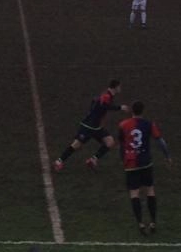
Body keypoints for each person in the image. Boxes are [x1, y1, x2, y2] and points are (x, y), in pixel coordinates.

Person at [118, 101, 171, 235]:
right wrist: (167, 156)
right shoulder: (148, 124)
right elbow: (160, 141)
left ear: (132, 111)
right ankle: (153, 222)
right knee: (150, 190)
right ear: (143, 111)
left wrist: (122, 160)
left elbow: (121, 145)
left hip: (130, 164)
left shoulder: (123, 125)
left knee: (134, 193)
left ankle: (141, 223)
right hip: (146, 162)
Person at [53, 79, 129, 172]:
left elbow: (95, 102)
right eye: (120, 86)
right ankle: (59, 161)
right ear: (116, 87)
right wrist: (120, 107)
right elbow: (104, 106)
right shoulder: (106, 95)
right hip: (88, 126)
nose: (121, 88)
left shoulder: (107, 94)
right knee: (76, 145)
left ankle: (93, 160)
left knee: (110, 142)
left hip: (97, 127)